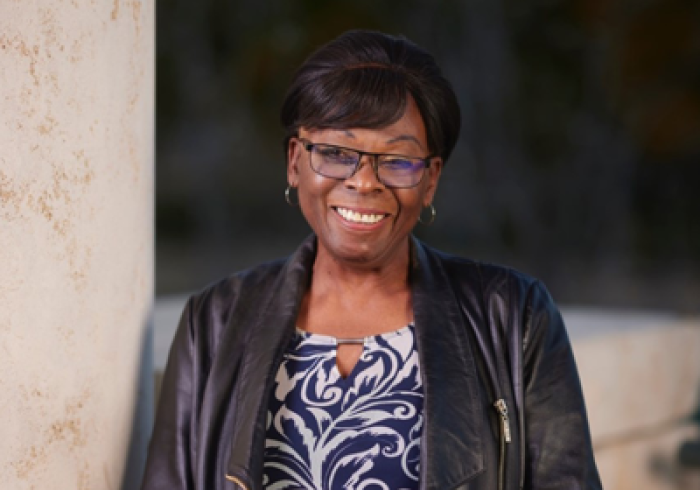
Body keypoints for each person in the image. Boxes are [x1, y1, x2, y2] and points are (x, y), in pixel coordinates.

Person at [142, 30, 602, 490]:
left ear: (430, 181)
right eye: (337, 153)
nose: (364, 182)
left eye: (398, 160)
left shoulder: (516, 317)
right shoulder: (216, 322)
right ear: (294, 161)